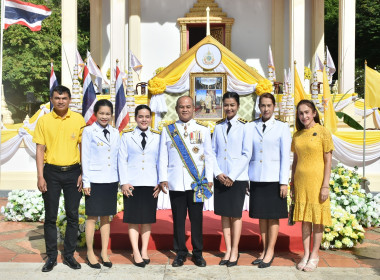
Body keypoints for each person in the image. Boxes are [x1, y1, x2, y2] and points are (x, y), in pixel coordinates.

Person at [33, 85, 86, 272]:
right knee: (50, 217)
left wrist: (83, 173)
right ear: (52, 99)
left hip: (73, 173)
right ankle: (51, 257)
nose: (61, 101)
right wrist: (40, 176)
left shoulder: (78, 119)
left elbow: (83, 148)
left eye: (64, 98)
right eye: (57, 98)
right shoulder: (44, 121)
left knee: (72, 215)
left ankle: (70, 255)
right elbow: (39, 149)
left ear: (69, 100)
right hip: (51, 173)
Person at [159, 96, 213, 267]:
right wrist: (163, 178)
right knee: (178, 219)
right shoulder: (168, 130)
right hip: (175, 182)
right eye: (181, 107)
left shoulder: (203, 130)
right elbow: (162, 156)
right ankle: (180, 252)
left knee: (197, 220)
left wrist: (209, 178)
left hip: (196, 183)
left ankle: (198, 253)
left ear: (193, 109)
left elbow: (210, 156)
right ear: (176, 109)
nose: (184, 109)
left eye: (188, 106)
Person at [246, 92, 291, 268]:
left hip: (274, 178)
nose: (265, 109)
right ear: (259, 107)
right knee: (261, 217)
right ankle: (264, 250)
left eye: (268, 106)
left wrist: (283, 182)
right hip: (256, 177)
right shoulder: (251, 126)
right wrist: (247, 178)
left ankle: (270, 251)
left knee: (272, 217)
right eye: (262, 105)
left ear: (274, 107)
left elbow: (285, 156)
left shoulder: (282, 127)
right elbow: (248, 153)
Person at [291, 99, 333, 272]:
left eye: (307, 112)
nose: (304, 116)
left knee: (317, 220)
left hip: (317, 182)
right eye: (301, 113)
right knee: (305, 220)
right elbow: (295, 161)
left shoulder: (323, 132)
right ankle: (306, 253)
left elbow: (328, 161)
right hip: (301, 182)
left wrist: (325, 185)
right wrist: (292, 183)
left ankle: (315, 255)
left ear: (314, 113)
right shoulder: (297, 135)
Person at [118, 105, 161, 268]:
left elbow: (161, 160)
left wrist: (160, 180)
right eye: (141, 116)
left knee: (147, 219)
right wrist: (124, 182)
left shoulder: (157, 136)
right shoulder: (127, 136)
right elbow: (122, 159)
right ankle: (135, 252)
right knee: (133, 219)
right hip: (132, 183)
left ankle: (144, 250)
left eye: (147, 116)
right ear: (135, 118)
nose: (144, 119)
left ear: (151, 118)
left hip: (151, 183)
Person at [211, 92, 250, 267]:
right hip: (221, 176)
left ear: (238, 106)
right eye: (226, 105)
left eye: (232, 105)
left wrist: (232, 176)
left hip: (237, 178)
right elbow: (211, 152)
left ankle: (235, 250)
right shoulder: (218, 127)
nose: (229, 108)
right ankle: (227, 249)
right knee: (224, 215)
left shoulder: (245, 127)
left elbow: (246, 154)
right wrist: (218, 173)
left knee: (235, 215)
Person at [81, 99, 120, 269]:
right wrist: (86, 181)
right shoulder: (89, 131)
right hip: (94, 181)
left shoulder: (116, 132)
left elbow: (118, 157)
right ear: (96, 114)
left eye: (108, 114)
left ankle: (104, 252)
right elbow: (85, 157)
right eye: (101, 113)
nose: (105, 116)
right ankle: (90, 252)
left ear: (111, 115)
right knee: (91, 217)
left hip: (110, 179)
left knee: (106, 218)